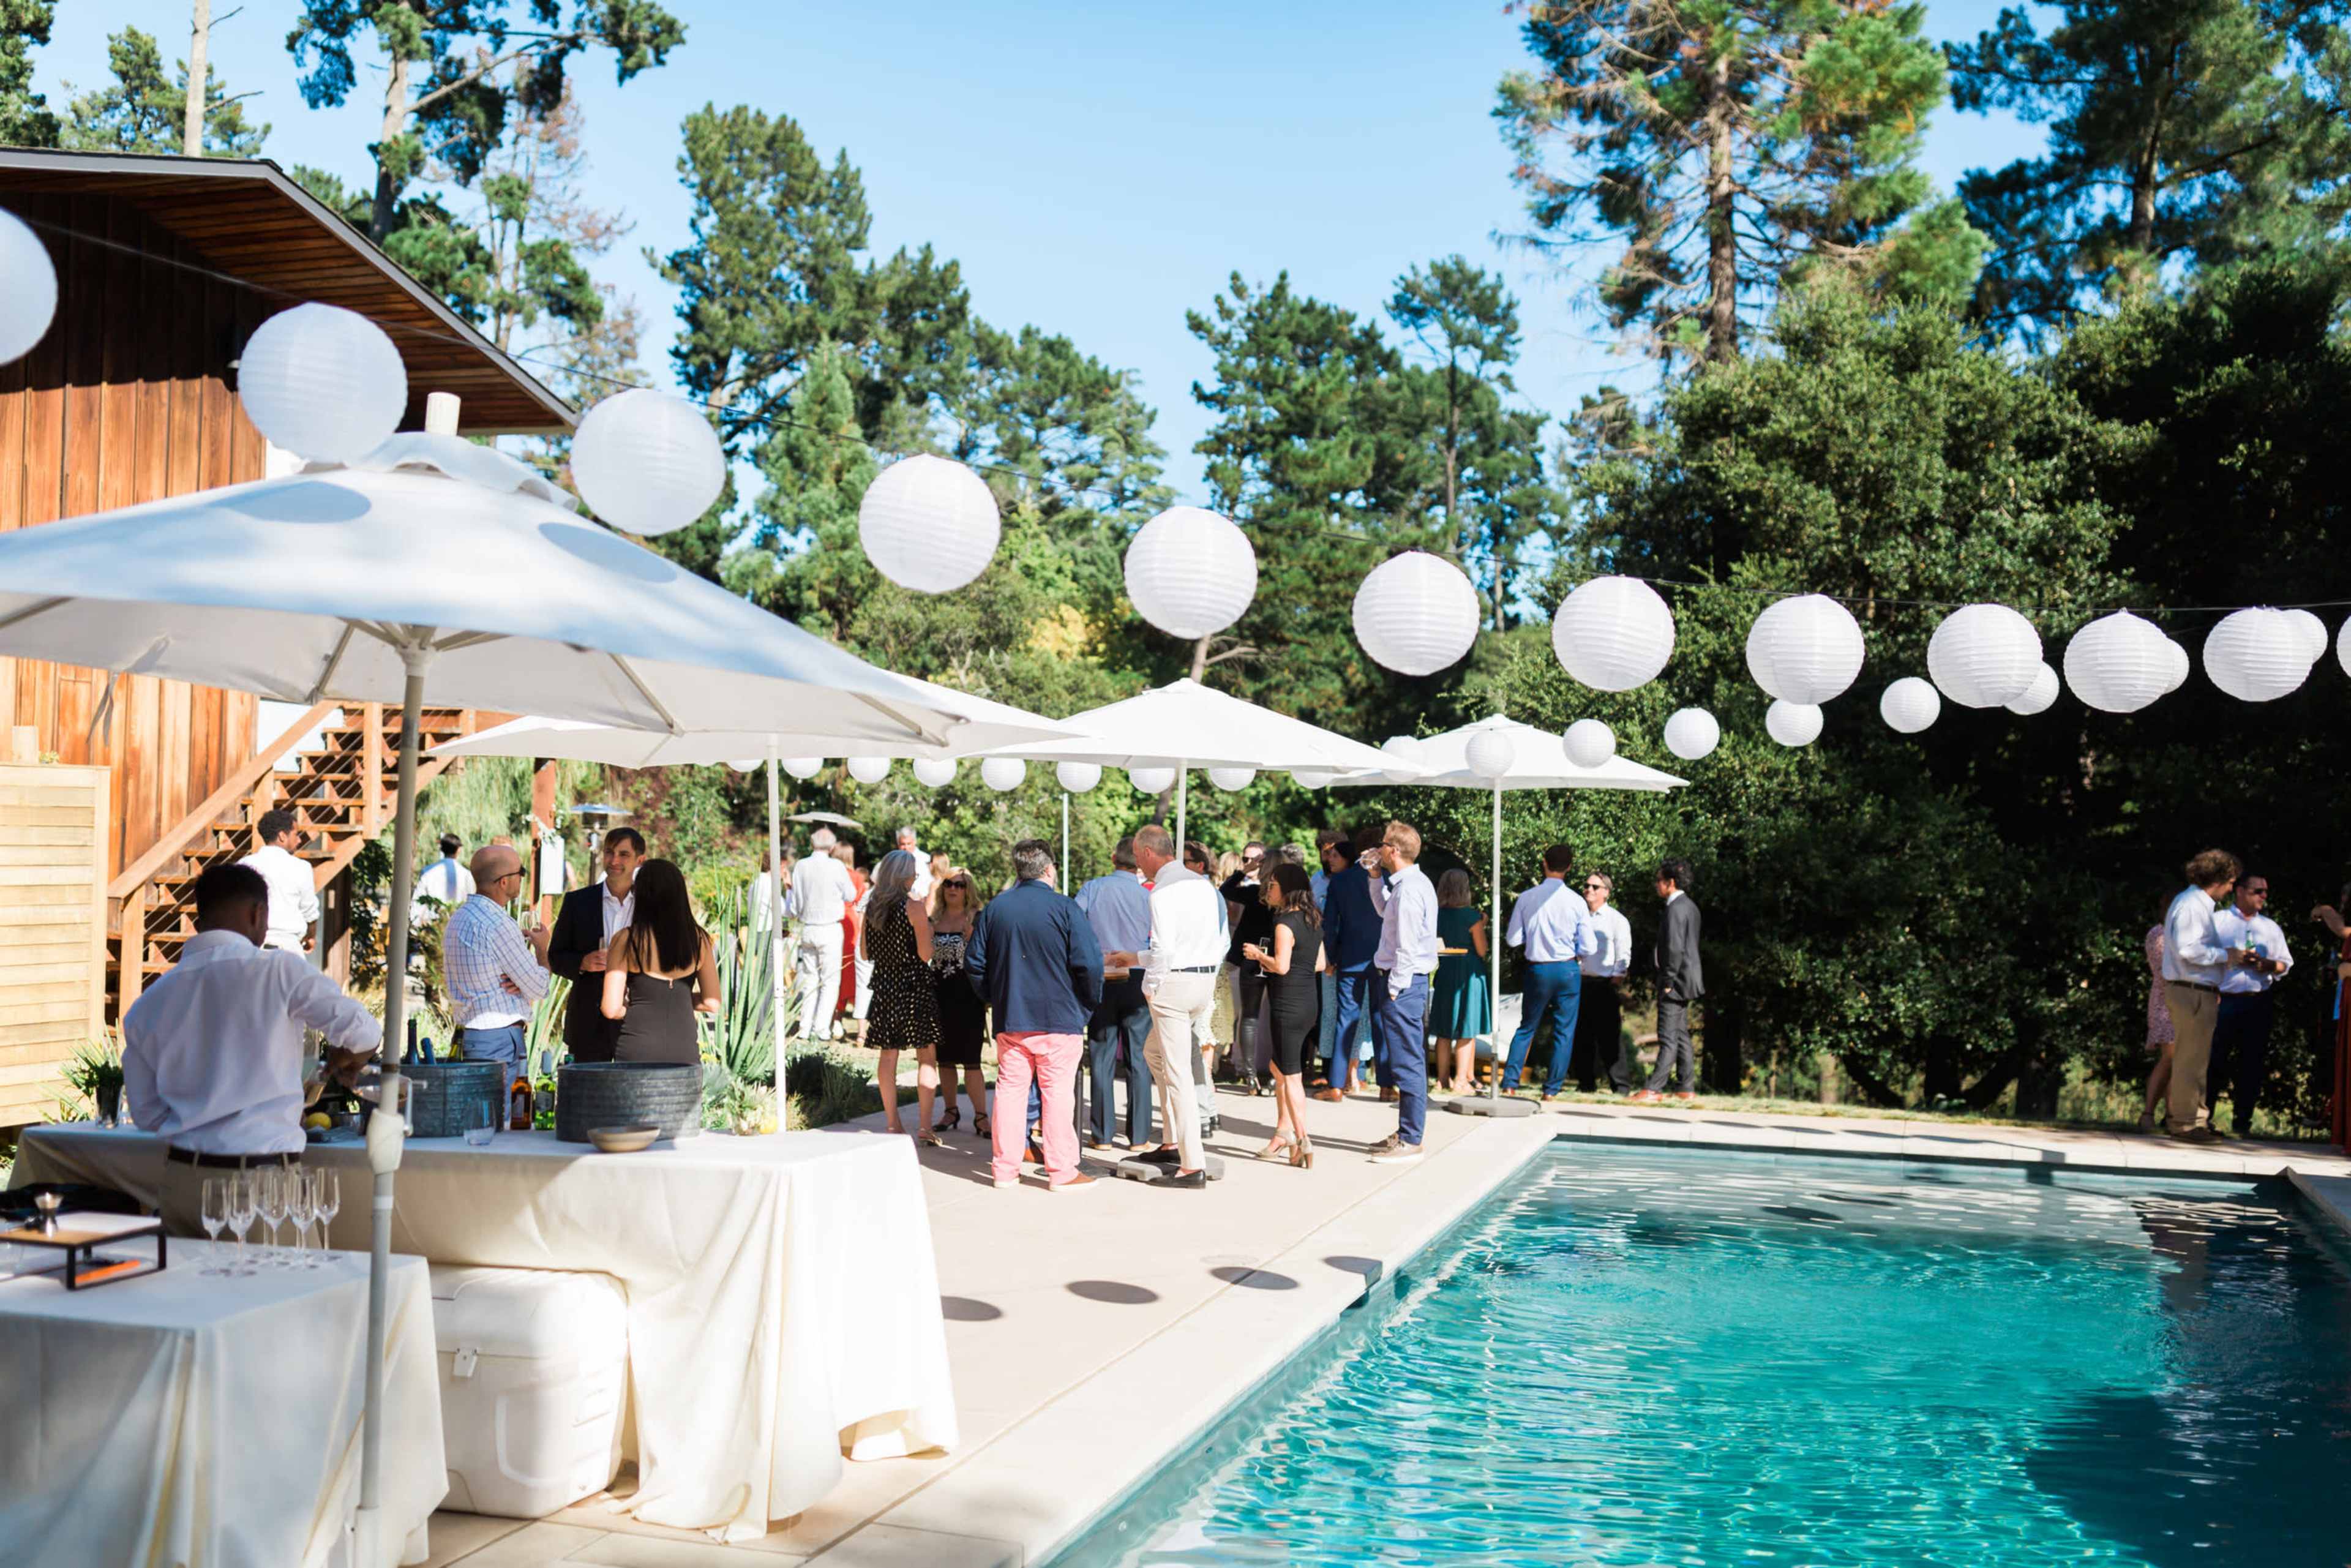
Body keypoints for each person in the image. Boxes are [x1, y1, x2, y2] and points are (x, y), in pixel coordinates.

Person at [122, 863, 379, 1236]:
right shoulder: (279, 971)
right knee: (275, 1293)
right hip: (263, 1186)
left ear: (201, 917)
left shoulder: (149, 1003)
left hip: (184, 1183)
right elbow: (364, 1031)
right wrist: (348, 1057)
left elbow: (146, 1114)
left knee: (186, 1295)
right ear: (258, 914)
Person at [967, 839, 1104, 1190]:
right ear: (1049, 869)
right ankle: (1062, 1172)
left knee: (1011, 1093)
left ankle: (1005, 1170)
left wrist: (996, 996)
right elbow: (1089, 963)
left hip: (1012, 1016)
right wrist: (1086, 1005)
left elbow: (975, 963)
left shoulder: (997, 908)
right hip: (1059, 1016)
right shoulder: (1065, 908)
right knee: (1057, 1093)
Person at [1131, 825, 1220, 1189]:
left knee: (1179, 1071)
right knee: (1155, 1053)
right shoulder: (1203, 885)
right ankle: (1172, 1141)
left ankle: (1191, 1164)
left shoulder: (1161, 893)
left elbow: (1166, 953)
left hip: (1174, 986)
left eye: (1138, 856)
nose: (1138, 864)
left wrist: (1149, 987)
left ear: (1150, 853)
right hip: (1202, 982)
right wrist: (1134, 957)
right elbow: (1205, 943)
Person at [1363, 821, 1438, 1163]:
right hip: (1402, 981)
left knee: (1408, 1062)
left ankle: (1411, 1138)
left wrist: (1394, 987)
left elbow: (1407, 947)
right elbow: (1384, 913)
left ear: (1393, 850)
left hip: (1402, 983)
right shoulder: (1408, 884)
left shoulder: (1410, 889)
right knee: (1406, 1060)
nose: (1379, 850)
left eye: (1382, 846)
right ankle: (1407, 1132)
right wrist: (1375, 877)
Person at [599, 858, 719, 1065]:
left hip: (636, 1049)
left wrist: (639, 1007)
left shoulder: (626, 940)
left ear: (640, 895)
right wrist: (674, 1001)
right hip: (684, 1052)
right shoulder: (700, 940)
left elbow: (611, 1009)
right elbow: (712, 1003)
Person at [1242, 861, 1324, 1167]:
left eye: (1273, 885)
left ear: (1287, 889)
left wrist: (1259, 956)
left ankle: (1302, 1137)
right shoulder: (1314, 919)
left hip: (1287, 1004)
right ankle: (1282, 1133)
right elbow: (1319, 963)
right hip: (1309, 1003)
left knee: (1290, 1077)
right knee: (1280, 1070)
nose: (1269, 890)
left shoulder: (1284, 923)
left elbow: (1282, 966)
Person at [2159, 849, 2244, 1142]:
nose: (2233, 887)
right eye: (2231, 881)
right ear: (2218, 879)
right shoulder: (2192, 905)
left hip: (2197, 991)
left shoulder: (2197, 904)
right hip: (2190, 990)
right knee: (2190, 1060)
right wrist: (2226, 954)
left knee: (2197, 1060)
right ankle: (2184, 1123)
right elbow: (2188, 949)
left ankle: (2196, 1119)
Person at [444, 842, 552, 1072]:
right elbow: (539, 988)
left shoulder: (459, 918)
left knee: (479, 1108)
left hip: (469, 1035)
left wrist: (520, 982)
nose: (523, 878)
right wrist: (542, 949)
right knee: (503, 1107)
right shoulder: (499, 924)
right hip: (499, 1039)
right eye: (521, 873)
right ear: (504, 882)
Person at [1076, 837, 1155, 1149]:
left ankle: (1102, 1134)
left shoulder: (1092, 889)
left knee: (1102, 1054)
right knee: (1139, 1057)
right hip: (1137, 975)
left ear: (1112, 858)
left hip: (1103, 975)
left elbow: (1075, 926)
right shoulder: (1147, 896)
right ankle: (1139, 1136)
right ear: (1138, 862)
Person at [1501, 845, 1596, 1100]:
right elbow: (1589, 946)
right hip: (1567, 968)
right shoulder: (1577, 901)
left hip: (1538, 968)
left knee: (1527, 1027)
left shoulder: (1527, 898)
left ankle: (1510, 1082)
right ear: (1570, 867)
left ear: (1544, 863)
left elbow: (1512, 939)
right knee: (1564, 1030)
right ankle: (1551, 1090)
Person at [546, 825, 644, 1063]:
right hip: (588, 1023)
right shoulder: (577, 902)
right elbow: (555, 956)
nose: (614, 860)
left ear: (640, 860)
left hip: (635, 1020)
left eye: (624, 854)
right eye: (609, 852)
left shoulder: (650, 905)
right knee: (588, 1098)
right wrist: (582, 962)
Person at [864, 849, 943, 1143]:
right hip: (914, 984)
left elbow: (864, 951)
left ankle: (892, 1123)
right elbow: (925, 955)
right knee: (926, 1056)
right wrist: (929, 935)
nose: (916, 876)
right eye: (913, 871)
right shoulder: (914, 908)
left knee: (888, 1055)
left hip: (885, 985)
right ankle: (925, 1127)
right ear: (903, 876)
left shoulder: (872, 907)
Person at [2210, 871, 2291, 1137]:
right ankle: (2203, 1118)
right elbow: (2198, 956)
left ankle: (2242, 1123)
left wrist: (2265, 964)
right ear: (2240, 891)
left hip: (2258, 1001)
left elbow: (2284, 965)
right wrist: (2231, 957)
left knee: (2252, 1064)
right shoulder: (2218, 922)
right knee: (2214, 1060)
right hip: (2224, 1000)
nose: (2264, 897)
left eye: (2266, 891)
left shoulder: (2270, 928)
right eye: (2258, 891)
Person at [1318, 825, 1382, 1101]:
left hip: (1350, 959)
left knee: (1346, 1020)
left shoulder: (1341, 881)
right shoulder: (1389, 877)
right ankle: (1389, 1086)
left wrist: (1331, 956)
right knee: (1380, 1020)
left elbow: (1330, 924)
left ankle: (1335, 1085)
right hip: (1382, 959)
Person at [1632, 858, 1704, 1104]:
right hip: (1688, 979)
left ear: (1670, 883)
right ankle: (1685, 1086)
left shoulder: (1675, 909)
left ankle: (1654, 1088)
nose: (1656, 885)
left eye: (1659, 880)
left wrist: (1668, 980)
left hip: (1675, 979)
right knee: (1681, 1034)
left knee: (1668, 1036)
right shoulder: (1691, 906)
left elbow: (1674, 948)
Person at [928, 869, 991, 1136]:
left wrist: (970, 938)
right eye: (948, 884)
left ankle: (981, 1116)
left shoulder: (977, 916)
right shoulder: (934, 918)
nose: (953, 889)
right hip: (939, 993)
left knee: (972, 1060)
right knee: (945, 1059)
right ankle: (950, 1111)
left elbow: (988, 953)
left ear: (968, 890)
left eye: (959, 885)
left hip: (968, 995)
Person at [781, 827, 855, 1041]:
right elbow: (850, 894)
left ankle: (805, 1027)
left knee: (810, 979)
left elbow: (795, 905)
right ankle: (821, 1027)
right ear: (832, 847)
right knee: (830, 981)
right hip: (830, 927)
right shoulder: (836, 866)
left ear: (812, 845)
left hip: (808, 928)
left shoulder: (801, 866)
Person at [1429, 868, 1491, 1096]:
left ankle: (1441, 1079)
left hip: (1445, 971)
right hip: (1469, 973)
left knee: (1444, 1030)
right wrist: (1482, 924)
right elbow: (1482, 950)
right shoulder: (1471, 916)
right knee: (1467, 1028)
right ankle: (1461, 1079)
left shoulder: (1436, 915)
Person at [1575, 871, 1635, 1093]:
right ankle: (1585, 1084)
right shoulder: (1579, 918)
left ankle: (1620, 1086)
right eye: (1587, 885)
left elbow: (1624, 951)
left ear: (1606, 893)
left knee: (1610, 1038)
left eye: (1595, 887)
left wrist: (1618, 976)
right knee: (1582, 1037)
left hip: (1604, 984)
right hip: (1581, 982)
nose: (1589, 890)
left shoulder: (1617, 920)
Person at [1221, 844, 1272, 1090]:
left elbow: (1225, 889)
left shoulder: (1258, 893)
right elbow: (1226, 890)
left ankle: (1252, 1073)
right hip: (1259, 957)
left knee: (1252, 1017)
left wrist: (1243, 872)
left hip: (1257, 958)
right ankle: (1258, 1072)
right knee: (1256, 1017)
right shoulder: (1262, 894)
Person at [238, 807, 319, 953]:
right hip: (288, 948)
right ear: (282, 836)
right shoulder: (301, 867)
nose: (300, 840)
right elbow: (310, 912)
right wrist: (311, 937)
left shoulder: (244, 864)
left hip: (251, 947)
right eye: (296, 834)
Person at [2138, 924, 2177, 1133]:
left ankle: (2172, 1116)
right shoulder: (2159, 934)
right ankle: (2148, 1113)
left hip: (2184, 1003)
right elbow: (2166, 971)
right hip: (2166, 1002)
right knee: (2170, 1057)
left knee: (2178, 1061)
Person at [415, 831, 474, 913]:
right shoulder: (466, 875)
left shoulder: (427, 871)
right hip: (458, 920)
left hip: (432, 921)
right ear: (459, 850)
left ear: (441, 849)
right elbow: (470, 901)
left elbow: (419, 901)